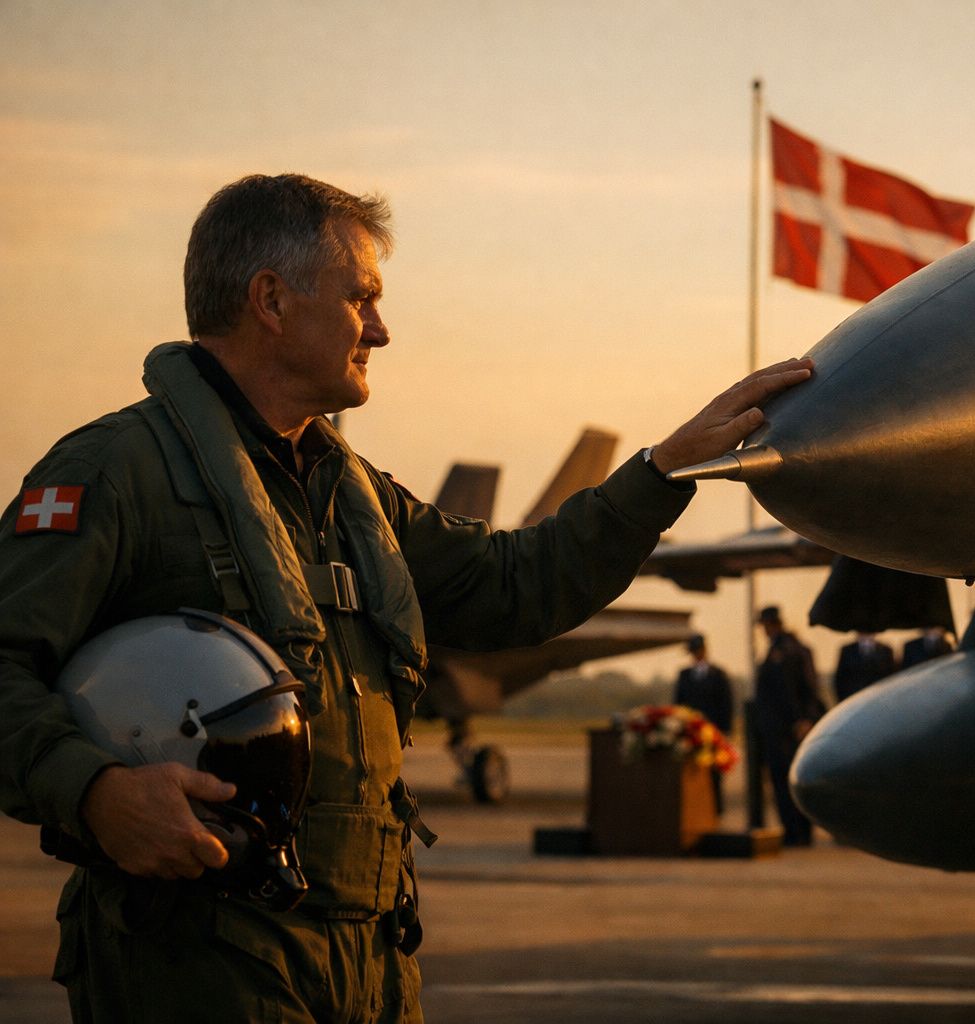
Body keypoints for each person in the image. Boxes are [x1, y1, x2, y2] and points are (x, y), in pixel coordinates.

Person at [0, 173, 812, 1023]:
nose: (382, 330)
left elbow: (514, 586)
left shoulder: (355, 497)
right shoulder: (113, 474)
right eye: (363, 299)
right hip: (203, 956)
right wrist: (96, 793)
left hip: (371, 955)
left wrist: (661, 473)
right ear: (271, 301)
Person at [752, 605, 824, 847]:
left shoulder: (790, 651)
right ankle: (795, 832)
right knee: (785, 782)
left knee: (787, 782)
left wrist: (805, 719)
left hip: (788, 729)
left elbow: (807, 689)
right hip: (781, 728)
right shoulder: (784, 649)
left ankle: (798, 833)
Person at [673, 633, 733, 814]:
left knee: (714, 775)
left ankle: (716, 812)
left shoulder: (719, 675)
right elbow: (678, 704)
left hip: (713, 732)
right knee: (692, 774)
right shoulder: (684, 675)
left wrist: (725, 731)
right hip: (692, 733)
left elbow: (726, 704)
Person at [832, 631, 896, 702]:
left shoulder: (885, 650)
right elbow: (840, 679)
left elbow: (891, 678)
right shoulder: (847, 650)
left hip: (879, 698)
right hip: (853, 699)